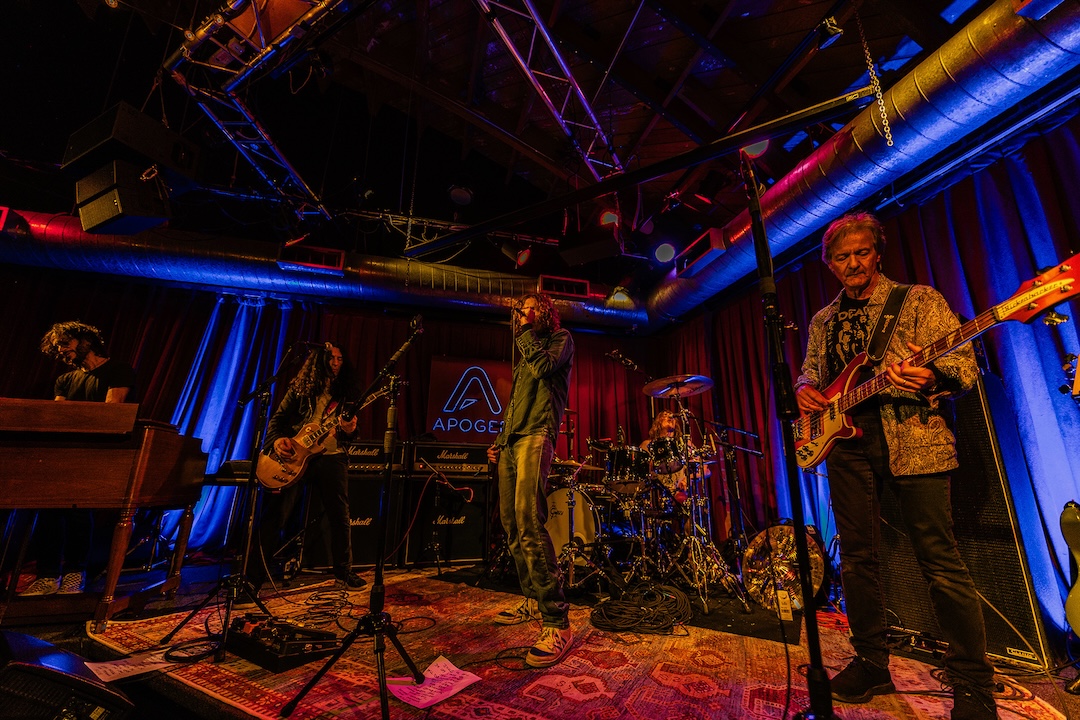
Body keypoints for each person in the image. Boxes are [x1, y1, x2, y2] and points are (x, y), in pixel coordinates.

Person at [794, 212, 997, 720]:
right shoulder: (823, 319)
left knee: (939, 559)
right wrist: (804, 392)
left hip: (913, 441)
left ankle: (972, 682)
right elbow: (809, 375)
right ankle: (871, 661)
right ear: (830, 264)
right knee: (858, 559)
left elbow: (964, 367)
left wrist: (927, 378)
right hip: (845, 448)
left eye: (861, 252)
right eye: (841, 257)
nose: (852, 263)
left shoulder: (918, 300)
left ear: (877, 253)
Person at [487, 293, 575, 668]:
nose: (523, 312)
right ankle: (533, 596)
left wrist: (524, 331)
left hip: (538, 434)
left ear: (545, 313)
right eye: (521, 309)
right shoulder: (524, 353)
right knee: (510, 524)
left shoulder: (561, 340)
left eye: (530, 307)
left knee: (527, 518)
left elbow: (543, 369)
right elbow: (515, 402)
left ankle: (556, 620)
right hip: (512, 439)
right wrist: (499, 439)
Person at [20, 321, 137, 596]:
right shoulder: (64, 380)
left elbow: (112, 413)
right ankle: (48, 576)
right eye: (58, 347)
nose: (61, 351)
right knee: (48, 512)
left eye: (65, 343)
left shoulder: (118, 370)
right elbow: (60, 419)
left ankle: (75, 574)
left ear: (86, 341)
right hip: (65, 454)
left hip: (98, 454)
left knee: (79, 514)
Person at [249, 343, 366, 595]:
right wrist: (278, 441)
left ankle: (343, 572)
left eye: (340, 358)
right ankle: (252, 579)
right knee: (275, 516)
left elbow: (352, 432)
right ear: (318, 360)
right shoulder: (300, 388)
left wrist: (350, 429)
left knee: (340, 516)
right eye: (331, 358)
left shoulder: (345, 393)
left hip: (331, 456)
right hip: (295, 457)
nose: (336, 362)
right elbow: (277, 422)